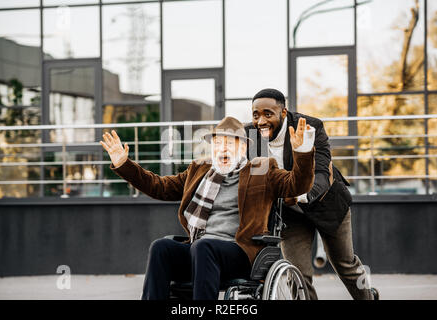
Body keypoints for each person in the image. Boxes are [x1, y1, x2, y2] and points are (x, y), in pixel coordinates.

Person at [100, 116, 315, 300]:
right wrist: (124, 164)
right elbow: (160, 187)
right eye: (218, 143)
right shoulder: (199, 171)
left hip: (240, 253)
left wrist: (303, 152)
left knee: (204, 247)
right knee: (161, 247)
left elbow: (296, 184)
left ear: (243, 147)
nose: (222, 148)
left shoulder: (261, 171)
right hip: (200, 252)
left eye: (230, 143)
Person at [245, 88, 378, 300]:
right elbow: (256, 178)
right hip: (290, 215)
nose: (261, 121)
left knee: (345, 264)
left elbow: (322, 172)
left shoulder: (309, 126)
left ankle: (367, 297)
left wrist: (297, 194)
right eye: (255, 115)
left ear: (284, 112)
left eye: (267, 114)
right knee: (297, 275)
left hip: (326, 204)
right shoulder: (252, 136)